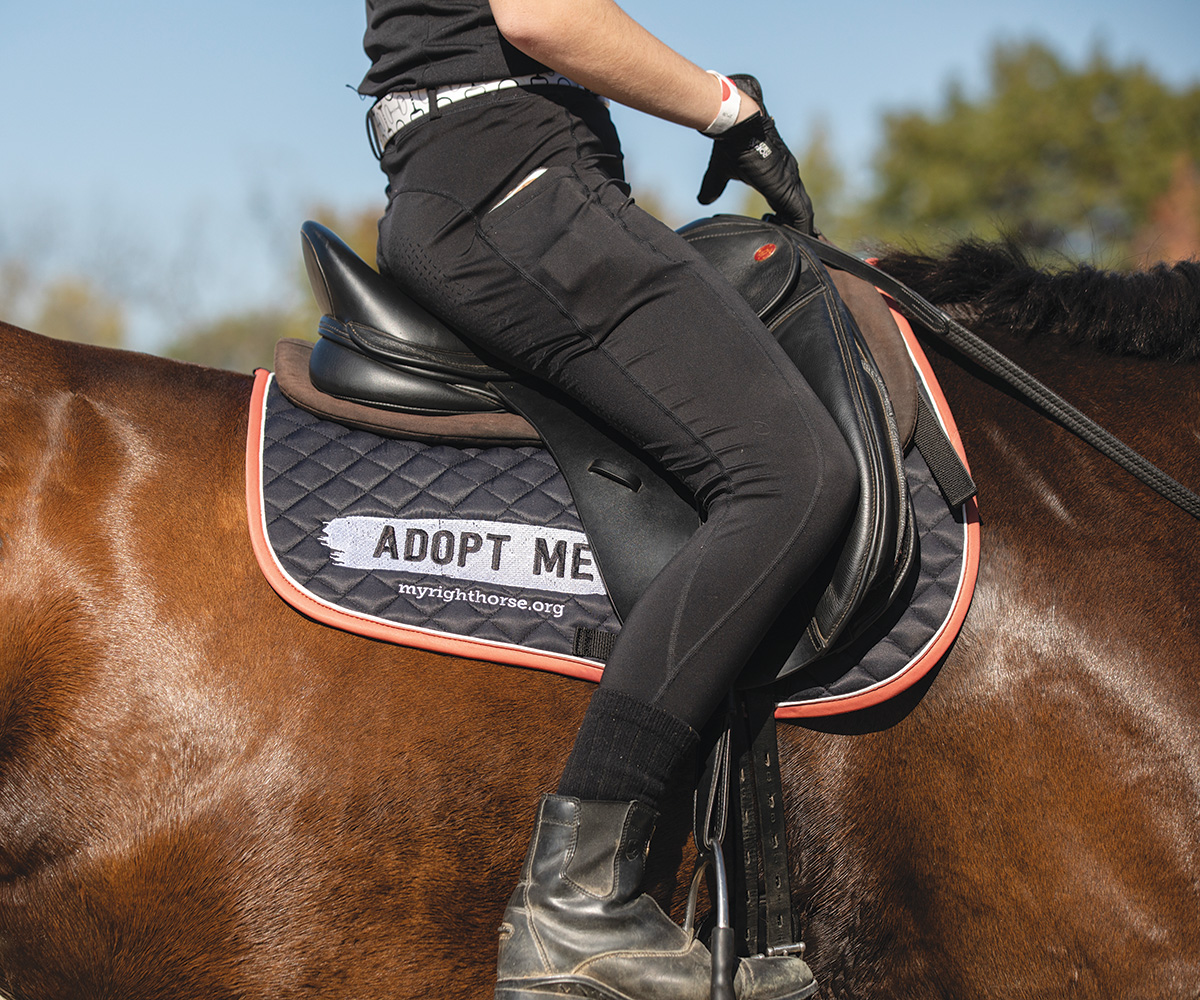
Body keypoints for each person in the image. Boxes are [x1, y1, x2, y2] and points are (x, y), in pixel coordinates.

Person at [358, 2, 858, 997]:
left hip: (480, 172)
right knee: (793, 472)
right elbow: (545, 14)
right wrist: (729, 110)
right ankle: (578, 898)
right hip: (517, 182)